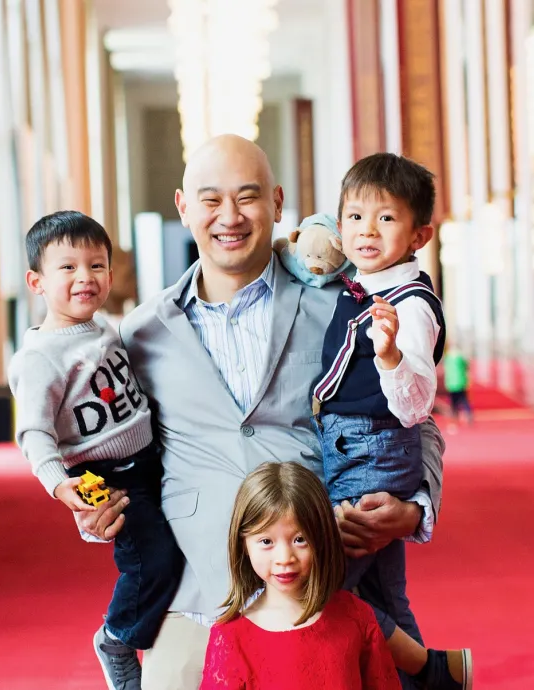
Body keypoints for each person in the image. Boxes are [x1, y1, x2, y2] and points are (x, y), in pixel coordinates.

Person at [77, 135, 448, 690]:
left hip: (324, 584)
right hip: (200, 596)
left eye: (247, 197)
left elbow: (416, 419)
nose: (229, 217)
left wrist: (417, 508)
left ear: (277, 204)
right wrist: (91, 509)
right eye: (210, 200)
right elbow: (117, 449)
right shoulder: (142, 333)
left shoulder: (339, 306)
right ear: (183, 207)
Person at [307, 154, 469, 688]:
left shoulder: (411, 306)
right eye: (353, 217)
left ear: (419, 234)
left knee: (325, 590)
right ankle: (436, 679)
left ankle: (428, 669)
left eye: (385, 218)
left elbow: (415, 406)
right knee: (385, 596)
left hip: (373, 454)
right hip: (351, 448)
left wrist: (391, 356)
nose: (366, 231)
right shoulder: (360, 281)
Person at [7, 211, 182, 690]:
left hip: (151, 458)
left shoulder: (102, 327)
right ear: (36, 281)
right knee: (152, 559)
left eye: (97, 265)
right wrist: (58, 484)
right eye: (68, 268)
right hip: (106, 474)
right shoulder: (40, 357)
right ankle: (118, 638)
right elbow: (35, 433)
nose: (85, 277)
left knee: (179, 547)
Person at [200, 461, 401, 689]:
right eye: (266, 541)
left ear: (322, 538)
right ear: (243, 544)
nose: (285, 557)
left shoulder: (357, 616)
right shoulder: (229, 637)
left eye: (300, 539)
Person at [442, 345, 473, 428]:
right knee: (464, 400)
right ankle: (469, 416)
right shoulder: (460, 357)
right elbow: (467, 367)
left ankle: (454, 419)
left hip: (451, 383)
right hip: (461, 382)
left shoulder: (447, 358)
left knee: (453, 403)